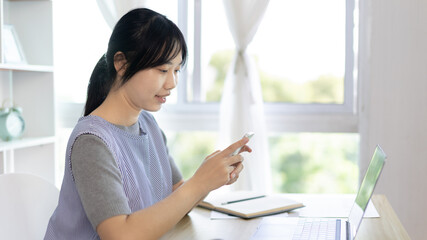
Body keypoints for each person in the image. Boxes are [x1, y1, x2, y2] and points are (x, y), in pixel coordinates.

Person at [44, 8, 251, 240]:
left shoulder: (149, 125)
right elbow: (120, 235)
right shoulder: (92, 142)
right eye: (163, 70)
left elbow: (175, 198)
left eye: (176, 70)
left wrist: (209, 178)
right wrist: (198, 184)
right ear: (121, 64)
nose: (172, 83)